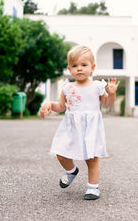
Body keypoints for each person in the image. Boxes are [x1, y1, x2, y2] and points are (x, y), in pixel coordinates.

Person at [40, 45, 120, 200]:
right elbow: (61, 107)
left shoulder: (97, 86)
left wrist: (112, 94)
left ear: (92, 67)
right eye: (75, 65)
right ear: (70, 69)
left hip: (90, 128)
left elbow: (108, 103)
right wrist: (50, 104)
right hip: (71, 127)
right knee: (61, 153)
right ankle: (71, 171)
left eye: (84, 65)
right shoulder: (67, 88)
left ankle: (92, 187)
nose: (79, 69)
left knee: (92, 159)